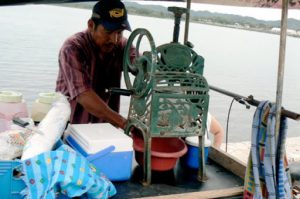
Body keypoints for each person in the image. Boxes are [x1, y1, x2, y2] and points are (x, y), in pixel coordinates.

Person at [56, 0, 135, 129]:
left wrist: (148, 65)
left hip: (104, 128)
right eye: (108, 32)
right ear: (91, 25)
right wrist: (124, 123)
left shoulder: (123, 46)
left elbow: (138, 61)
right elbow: (83, 95)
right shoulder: (73, 47)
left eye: (119, 32)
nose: (114, 40)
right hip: (69, 127)